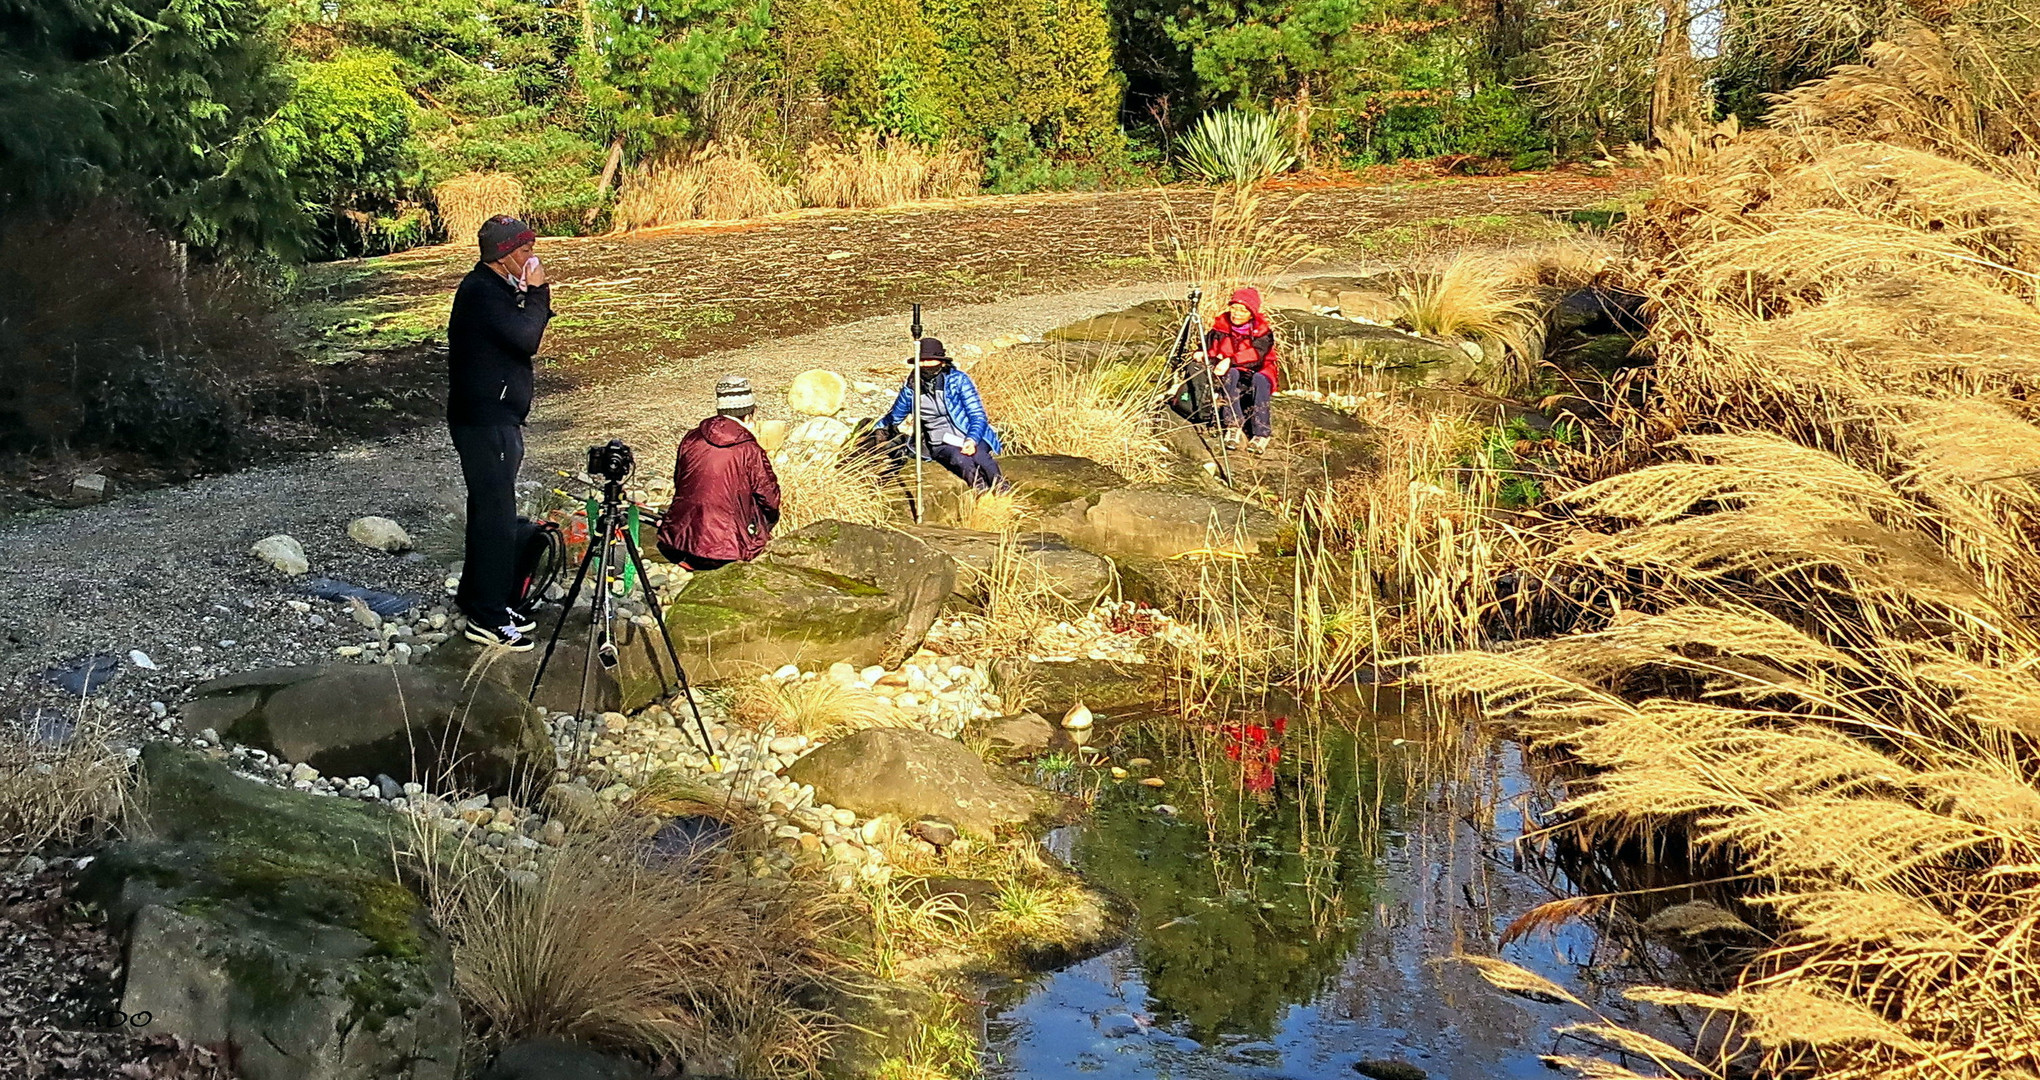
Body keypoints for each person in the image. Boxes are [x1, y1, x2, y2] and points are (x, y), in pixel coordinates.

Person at [448, 214, 553, 650]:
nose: (533, 257)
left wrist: (525, 291)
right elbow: (527, 338)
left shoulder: (496, 288)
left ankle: (477, 597)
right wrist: (541, 291)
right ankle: (487, 619)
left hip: (494, 415)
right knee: (496, 516)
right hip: (485, 419)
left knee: (488, 509)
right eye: (526, 251)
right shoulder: (481, 293)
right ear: (503, 255)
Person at [656, 376, 782, 572]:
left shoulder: (692, 437)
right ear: (750, 415)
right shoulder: (749, 449)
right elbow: (770, 498)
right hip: (728, 551)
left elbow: (679, 480)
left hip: (681, 542)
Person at [880, 338, 1006, 490]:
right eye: (922, 360)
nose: (926, 365)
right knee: (960, 459)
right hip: (940, 442)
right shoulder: (912, 387)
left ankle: (1003, 491)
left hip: (971, 434)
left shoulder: (958, 380)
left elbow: (977, 415)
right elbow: (895, 417)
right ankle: (981, 493)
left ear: (941, 362)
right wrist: (872, 429)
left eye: (930, 360)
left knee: (981, 457)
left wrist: (971, 439)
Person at [1202, 286, 1279, 453]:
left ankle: (1261, 433)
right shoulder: (1220, 328)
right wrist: (1202, 354)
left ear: (1251, 313)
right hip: (1233, 369)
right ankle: (1233, 426)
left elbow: (1256, 355)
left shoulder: (1262, 332)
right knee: (1231, 374)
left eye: (1242, 310)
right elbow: (1211, 350)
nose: (1236, 314)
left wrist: (1230, 360)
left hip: (1259, 368)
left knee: (1260, 379)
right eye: (1234, 308)